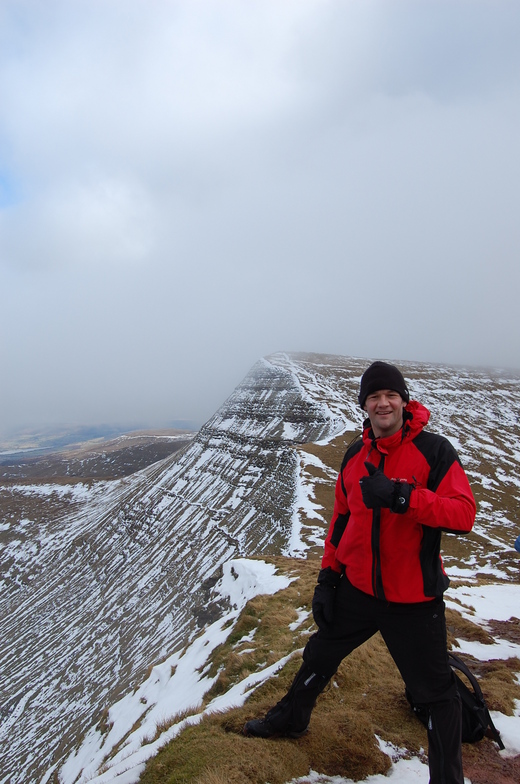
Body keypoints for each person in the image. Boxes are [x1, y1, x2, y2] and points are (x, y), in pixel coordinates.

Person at [244, 360, 477, 784]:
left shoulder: (434, 451)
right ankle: (291, 719)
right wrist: (328, 579)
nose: (383, 403)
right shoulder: (355, 455)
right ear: (365, 405)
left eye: (391, 395)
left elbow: (463, 514)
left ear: (404, 402)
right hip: (358, 589)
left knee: (436, 694)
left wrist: (403, 497)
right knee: (319, 654)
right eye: (374, 397)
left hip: (413, 598)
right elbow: (341, 521)